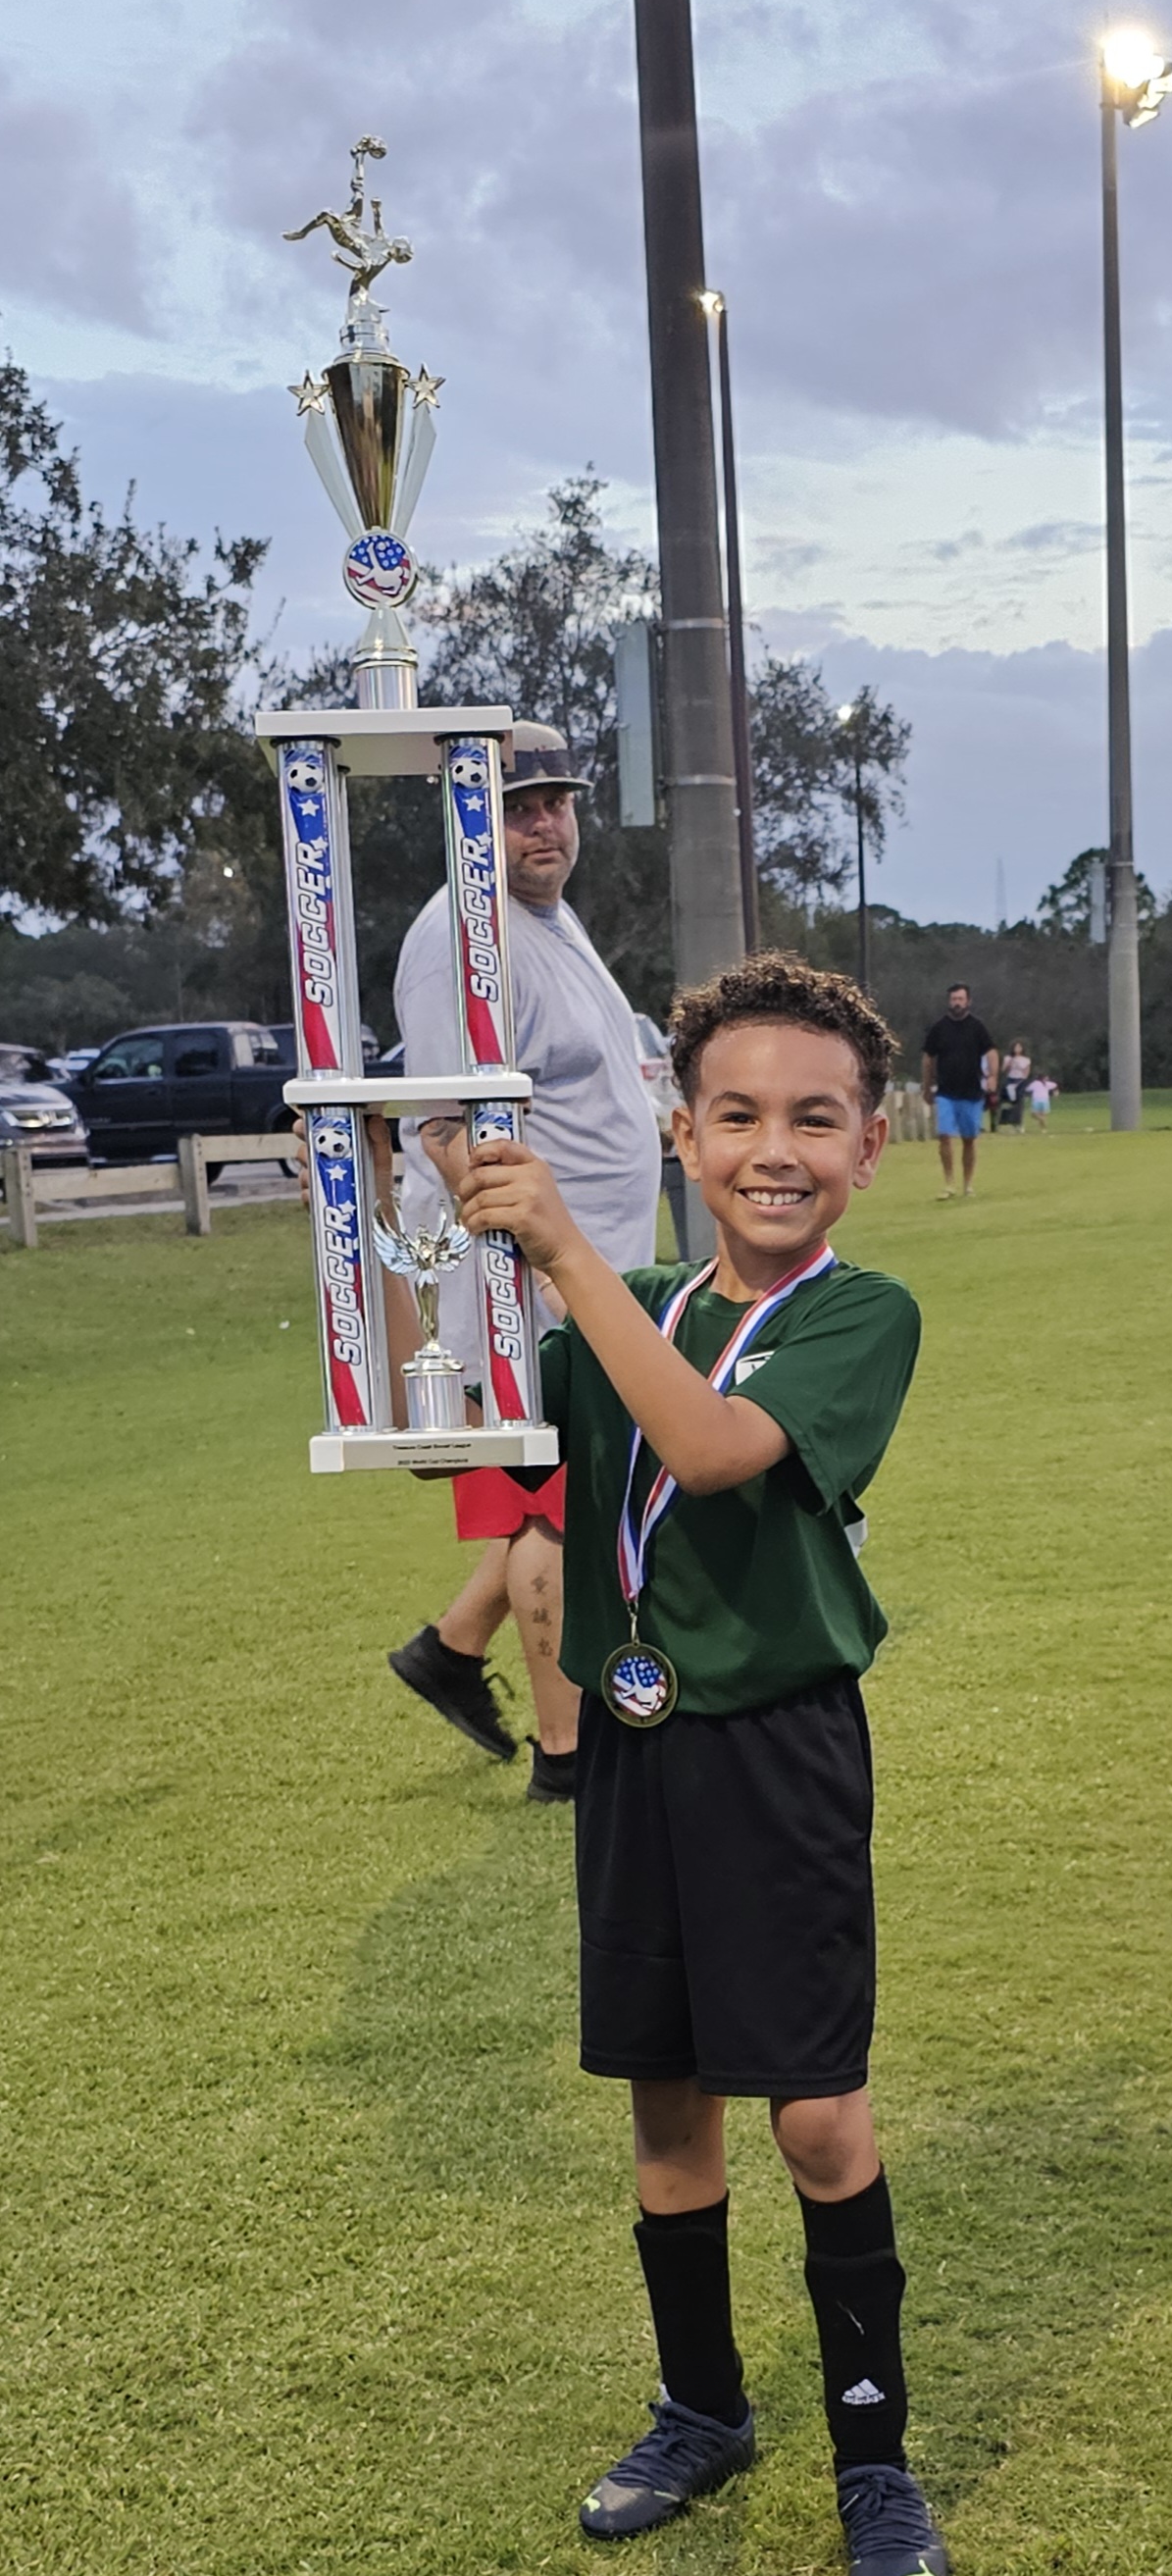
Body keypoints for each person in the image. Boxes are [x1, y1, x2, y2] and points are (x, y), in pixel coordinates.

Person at [453, 952, 947, 2576]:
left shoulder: (859, 1314)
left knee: (810, 2110)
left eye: (815, 1117)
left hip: (779, 1747)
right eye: (736, 1111)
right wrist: (425, 1223)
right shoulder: (630, 1298)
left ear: (870, 1145)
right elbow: (481, 1420)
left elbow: (717, 1449)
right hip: (634, 1746)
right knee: (668, 2106)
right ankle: (702, 2406)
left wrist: (566, 1248)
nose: (773, 1146)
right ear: (681, 1129)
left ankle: (872, 2454)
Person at [386, 722, 661, 1801]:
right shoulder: (467, 935)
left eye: (556, 800)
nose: (544, 822)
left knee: (568, 1490)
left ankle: (450, 1651)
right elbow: (443, 1127)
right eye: (515, 805)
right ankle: (567, 1759)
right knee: (555, 1509)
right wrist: (540, 1272)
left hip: (586, 1272)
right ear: (466, 821)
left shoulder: (547, 919)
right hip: (527, 1285)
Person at [921, 983, 995, 1200]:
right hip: (946, 1092)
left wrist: (992, 1076)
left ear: (968, 1001)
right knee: (944, 1135)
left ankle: (968, 1184)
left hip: (971, 1092)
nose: (957, 1003)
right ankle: (949, 1183)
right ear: (949, 1001)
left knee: (969, 1139)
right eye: (953, 999)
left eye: (960, 999)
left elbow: (991, 1051)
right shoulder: (939, 1028)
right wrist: (927, 1086)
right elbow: (928, 1057)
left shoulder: (977, 1027)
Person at [999, 1040, 1032, 1128]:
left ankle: (1018, 1122)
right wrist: (1008, 1064)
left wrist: (1023, 1081)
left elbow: (1026, 1071)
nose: (1017, 1049)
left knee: (1019, 1101)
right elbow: (1003, 1070)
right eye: (1016, 1047)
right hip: (1010, 1080)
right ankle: (1005, 1120)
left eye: (1019, 1047)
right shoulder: (1008, 1058)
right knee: (1009, 1101)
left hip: (1020, 1081)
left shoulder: (1026, 1059)